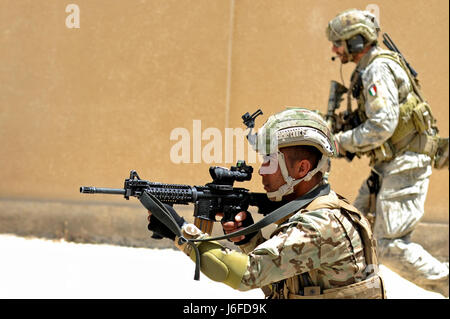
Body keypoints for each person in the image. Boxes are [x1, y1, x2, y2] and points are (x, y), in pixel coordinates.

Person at [147, 107, 385, 299]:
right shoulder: (324, 209)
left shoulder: (319, 225)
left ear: (302, 168)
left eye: (270, 161)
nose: (261, 170)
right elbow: (281, 288)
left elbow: (241, 275)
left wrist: (179, 230)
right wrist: (250, 241)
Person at [325, 8, 448, 297]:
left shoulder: (377, 68)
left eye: (339, 42)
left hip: (405, 166)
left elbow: (382, 125)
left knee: (390, 247)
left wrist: (339, 141)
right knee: (356, 232)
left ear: (357, 41)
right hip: (389, 166)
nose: (334, 49)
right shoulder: (371, 67)